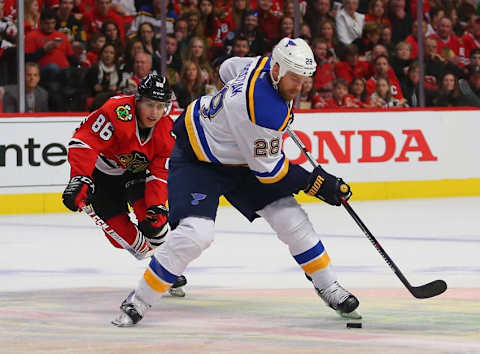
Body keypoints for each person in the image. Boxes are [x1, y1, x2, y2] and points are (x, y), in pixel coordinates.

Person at [111, 37, 360, 327]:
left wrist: (234, 104)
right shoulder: (261, 109)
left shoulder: (261, 65)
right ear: (277, 70)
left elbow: (227, 69)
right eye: (294, 78)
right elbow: (271, 171)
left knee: (291, 219)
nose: (300, 87)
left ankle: (328, 286)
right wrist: (318, 183)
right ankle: (138, 301)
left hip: (242, 158)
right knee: (195, 235)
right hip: (198, 159)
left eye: (304, 79)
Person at [61, 73, 187, 297]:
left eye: (160, 106)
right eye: (149, 104)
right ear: (138, 100)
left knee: (155, 223)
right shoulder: (116, 112)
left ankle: (166, 266)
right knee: (129, 241)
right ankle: (158, 262)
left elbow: (159, 173)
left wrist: (157, 205)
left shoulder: (167, 131)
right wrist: (81, 177)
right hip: (101, 177)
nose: (154, 112)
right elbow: (84, 141)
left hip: (135, 174)